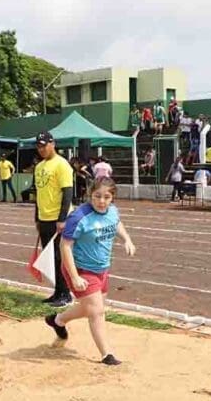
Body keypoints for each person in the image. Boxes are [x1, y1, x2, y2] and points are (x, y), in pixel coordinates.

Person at [44, 177, 135, 366]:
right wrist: (75, 276)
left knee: (89, 308)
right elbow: (65, 246)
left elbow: (116, 223)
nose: (101, 201)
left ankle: (58, 320)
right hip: (80, 269)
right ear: (89, 195)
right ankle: (106, 354)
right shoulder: (79, 217)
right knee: (97, 312)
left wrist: (127, 239)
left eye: (107, 197)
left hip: (102, 269)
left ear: (113, 198)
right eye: (97, 196)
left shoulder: (112, 211)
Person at [33, 131, 74, 307]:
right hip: (44, 218)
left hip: (58, 217)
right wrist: (37, 217)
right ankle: (57, 292)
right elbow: (38, 194)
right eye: (39, 146)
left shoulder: (62, 164)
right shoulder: (39, 167)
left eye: (44, 145)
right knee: (50, 257)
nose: (41, 149)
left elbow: (67, 192)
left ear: (53, 144)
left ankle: (66, 294)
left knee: (60, 256)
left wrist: (62, 218)